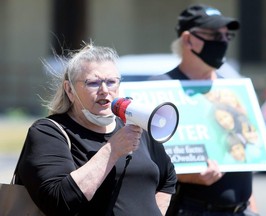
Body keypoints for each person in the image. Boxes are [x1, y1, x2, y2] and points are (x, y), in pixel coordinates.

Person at [15, 43, 177, 216]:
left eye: (111, 82)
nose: (104, 90)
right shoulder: (48, 132)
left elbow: (167, 178)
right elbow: (58, 201)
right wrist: (112, 150)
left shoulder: (134, 127)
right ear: (69, 90)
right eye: (93, 83)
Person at [149, 4, 260, 216]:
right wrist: (184, 175)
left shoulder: (233, 89)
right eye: (215, 35)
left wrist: (252, 207)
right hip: (192, 209)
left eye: (227, 36)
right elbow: (146, 158)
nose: (223, 42)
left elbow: (245, 159)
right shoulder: (161, 89)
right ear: (189, 40)